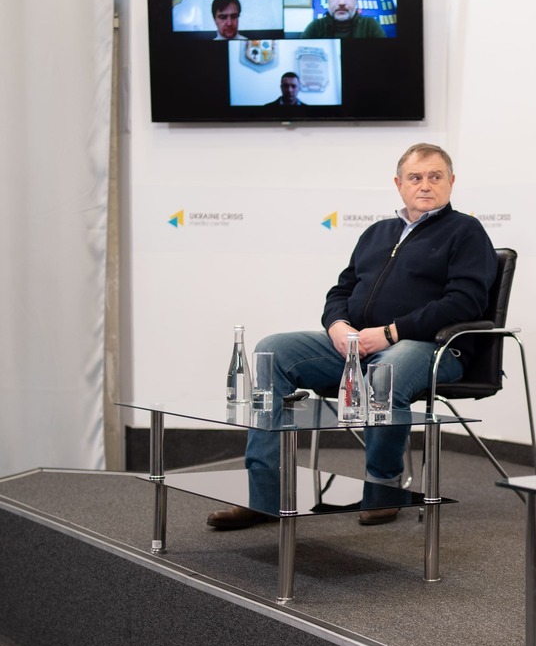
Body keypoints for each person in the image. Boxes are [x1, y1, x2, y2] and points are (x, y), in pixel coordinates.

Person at [207, 143, 497, 529]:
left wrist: (391, 333)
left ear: (451, 181)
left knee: (384, 373)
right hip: (357, 345)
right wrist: (337, 327)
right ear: (399, 184)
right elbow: (340, 291)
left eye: (435, 176)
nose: (425, 185)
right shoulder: (377, 232)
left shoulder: (466, 231)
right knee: (272, 350)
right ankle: (264, 496)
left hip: (433, 348)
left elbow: (465, 301)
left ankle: (383, 489)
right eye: (415, 177)